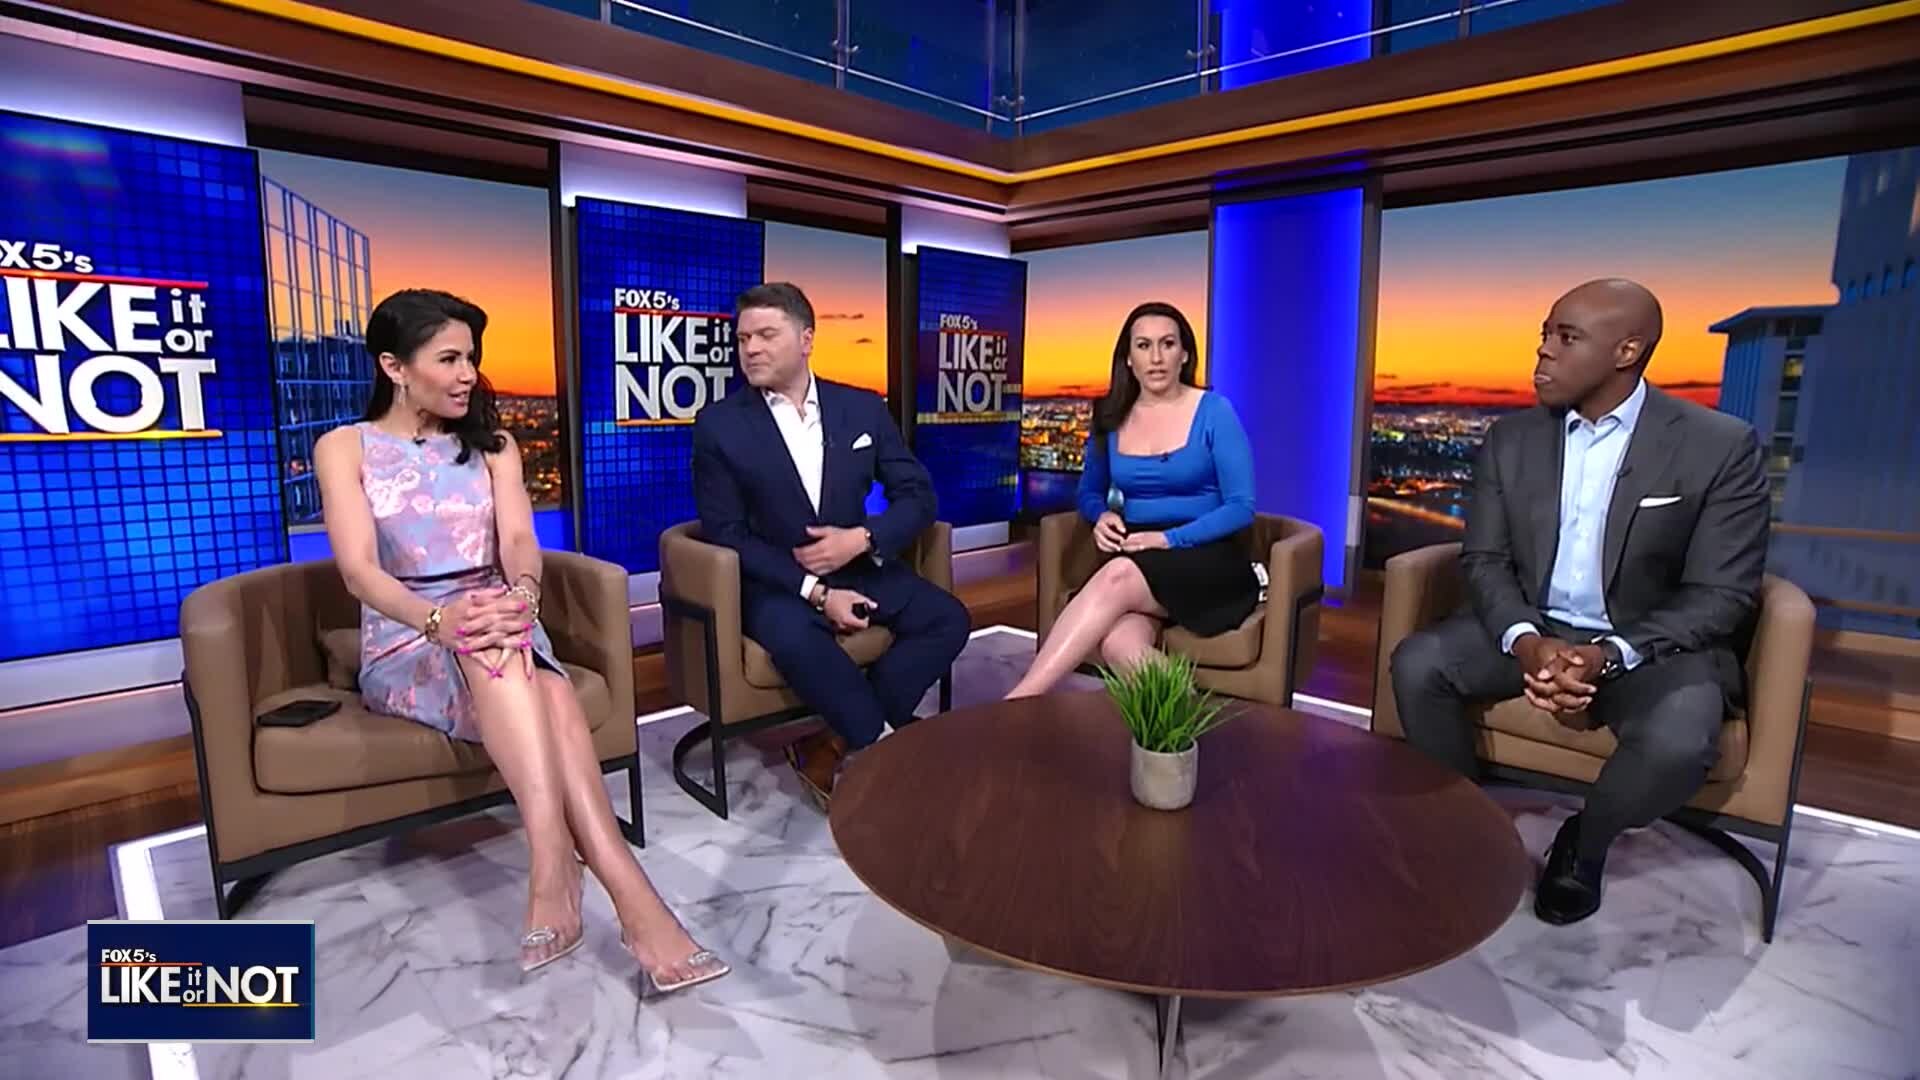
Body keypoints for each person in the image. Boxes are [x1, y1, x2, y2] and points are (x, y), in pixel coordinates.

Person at [313, 289, 728, 992]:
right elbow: (358, 571)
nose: (467, 374)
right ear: (394, 366)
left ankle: (563, 871)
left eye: (471, 358)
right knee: (515, 662)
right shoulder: (345, 447)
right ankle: (616, 885)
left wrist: (523, 598)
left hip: (503, 618)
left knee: (508, 648)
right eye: (449, 359)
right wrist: (441, 621)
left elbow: (517, 542)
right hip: (410, 636)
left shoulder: (495, 446)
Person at [1389, 278, 1769, 926]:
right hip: (1536, 623)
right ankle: (1466, 822)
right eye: (1545, 334)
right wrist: (1526, 640)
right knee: (1418, 663)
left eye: (1566, 338)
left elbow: (1722, 593)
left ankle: (1584, 844)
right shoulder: (1511, 439)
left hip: (1648, 641)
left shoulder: (1719, 445)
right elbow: (1485, 559)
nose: (1543, 351)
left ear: (1627, 350)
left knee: (1679, 741)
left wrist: (1607, 654)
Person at [691, 282, 969, 807]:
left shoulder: (862, 409)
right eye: (743, 338)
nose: (751, 349)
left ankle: (829, 742)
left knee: (948, 619)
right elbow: (726, 533)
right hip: (777, 582)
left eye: (766, 335)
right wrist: (817, 592)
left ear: (806, 339)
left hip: (859, 563)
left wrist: (863, 539)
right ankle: (883, 747)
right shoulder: (719, 426)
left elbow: (919, 495)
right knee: (799, 640)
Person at [1005, 301, 1257, 699]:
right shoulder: (1111, 415)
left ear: (1184, 354)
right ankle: (1193, 717)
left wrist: (1169, 539)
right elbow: (1089, 492)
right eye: (1143, 346)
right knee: (1119, 646)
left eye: (1167, 344)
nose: (1156, 357)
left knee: (1117, 575)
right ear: (1128, 358)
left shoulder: (1214, 411)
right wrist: (1101, 515)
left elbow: (1241, 507)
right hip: (1141, 551)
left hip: (1207, 556)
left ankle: (1020, 703)